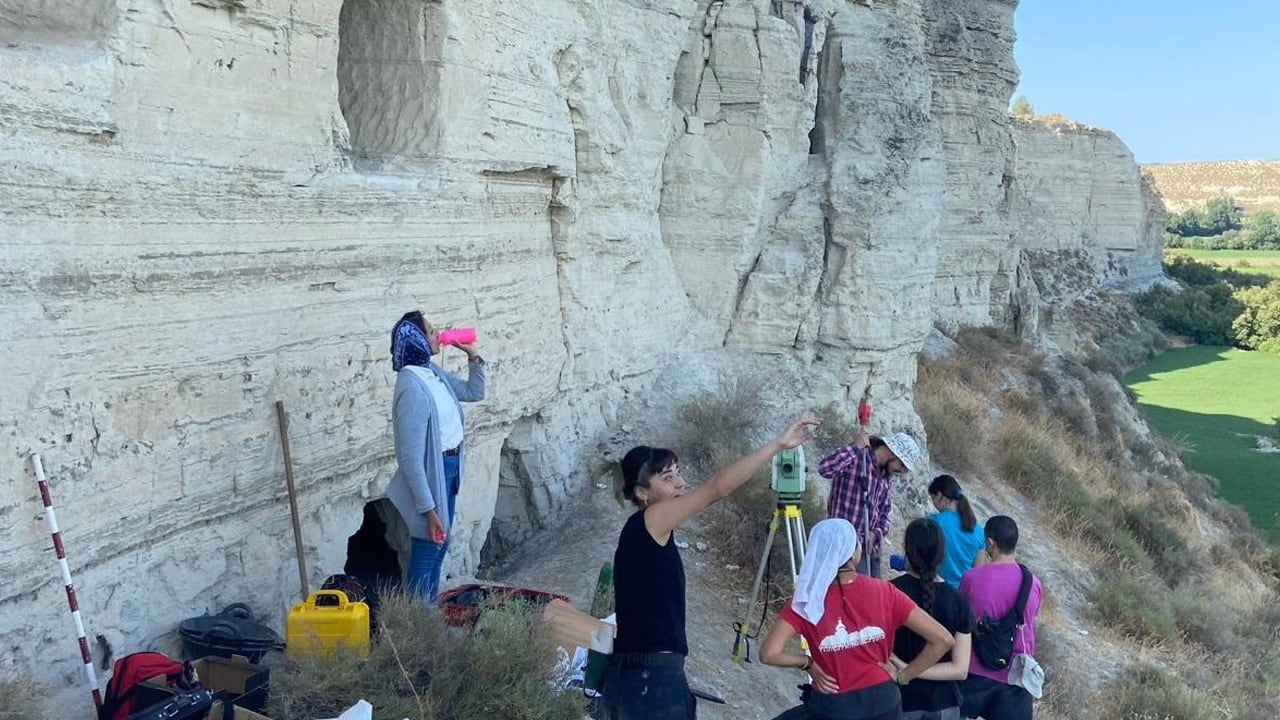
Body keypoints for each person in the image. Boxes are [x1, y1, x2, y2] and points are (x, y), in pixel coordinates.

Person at [603, 413, 821, 720]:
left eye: (678, 473)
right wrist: (777, 444)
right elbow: (716, 489)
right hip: (650, 680)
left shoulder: (641, 529)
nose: (680, 483)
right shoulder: (651, 519)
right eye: (667, 478)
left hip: (641, 676)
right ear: (642, 492)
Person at [760, 519, 953, 720]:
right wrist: (904, 676)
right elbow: (943, 640)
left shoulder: (805, 600)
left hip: (834, 705)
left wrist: (807, 663)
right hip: (885, 702)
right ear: (853, 554)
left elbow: (769, 654)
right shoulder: (885, 591)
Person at [385, 310, 486, 603]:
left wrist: (473, 356)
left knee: (439, 546)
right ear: (416, 340)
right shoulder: (411, 387)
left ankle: (427, 616)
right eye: (431, 332)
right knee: (429, 546)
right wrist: (428, 509)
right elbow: (410, 458)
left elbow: (474, 392)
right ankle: (418, 622)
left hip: (450, 467)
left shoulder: (431, 371)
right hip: (434, 472)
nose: (438, 334)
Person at [959, 516, 1042, 720]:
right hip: (1016, 677)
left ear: (990, 543)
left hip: (974, 670)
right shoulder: (1033, 584)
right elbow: (1030, 619)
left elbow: (960, 620)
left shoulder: (972, 578)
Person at [889, 518, 974, 720]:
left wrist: (907, 670)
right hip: (945, 704)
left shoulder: (890, 592)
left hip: (901, 701)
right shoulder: (958, 601)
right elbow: (960, 669)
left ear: (907, 551)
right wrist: (912, 671)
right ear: (942, 554)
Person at [819, 431, 922, 577]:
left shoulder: (886, 476)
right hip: (845, 549)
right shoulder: (856, 458)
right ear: (893, 454)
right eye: (902, 466)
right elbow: (825, 468)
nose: (901, 471)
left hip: (870, 551)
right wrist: (855, 447)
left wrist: (876, 533)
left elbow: (885, 512)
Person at [927, 475, 985, 588]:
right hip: (961, 597)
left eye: (933, 498)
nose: (934, 503)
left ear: (939, 495)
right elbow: (979, 573)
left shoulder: (932, 522)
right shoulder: (979, 531)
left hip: (934, 590)